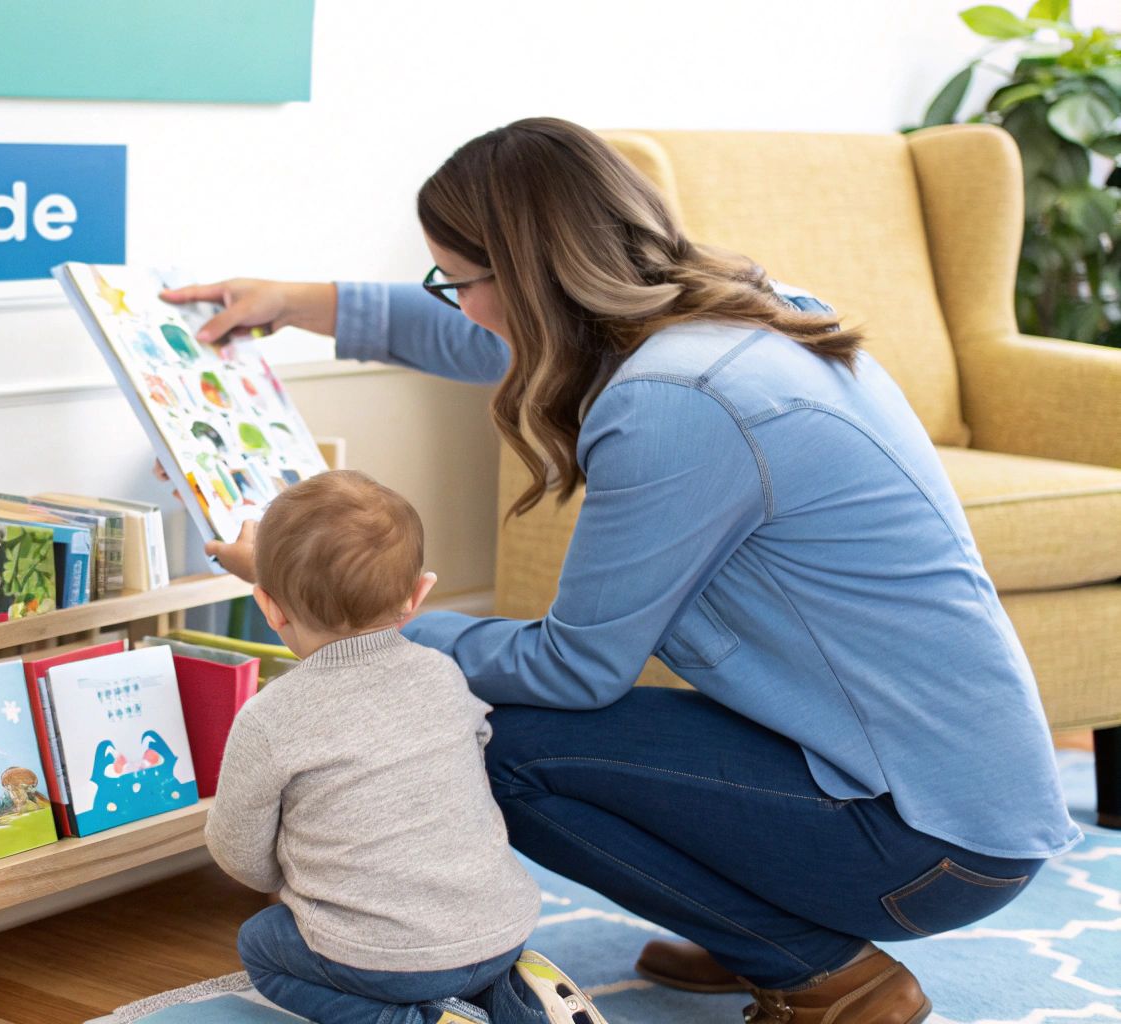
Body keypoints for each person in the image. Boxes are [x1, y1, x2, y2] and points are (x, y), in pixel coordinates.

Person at [168, 117, 1079, 1024]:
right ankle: (765, 921)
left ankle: (817, 965)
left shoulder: (674, 401)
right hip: (947, 796)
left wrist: (364, 619)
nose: (460, 305)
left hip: (923, 846)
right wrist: (294, 301)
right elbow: (485, 339)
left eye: (458, 280)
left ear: (525, 275)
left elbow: (574, 668)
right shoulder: (734, 314)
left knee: (504, 741)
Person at [205, 470, 605, 1024]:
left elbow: (240, 855)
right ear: (418, 595)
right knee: (468, 964)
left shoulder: (268, 718)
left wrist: (291, 880)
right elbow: (478, 743)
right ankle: (517, 999)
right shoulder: (444, 673)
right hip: (500, 927)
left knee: (262, 945)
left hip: (385, 960)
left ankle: (421, 1020)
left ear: (269, 608)